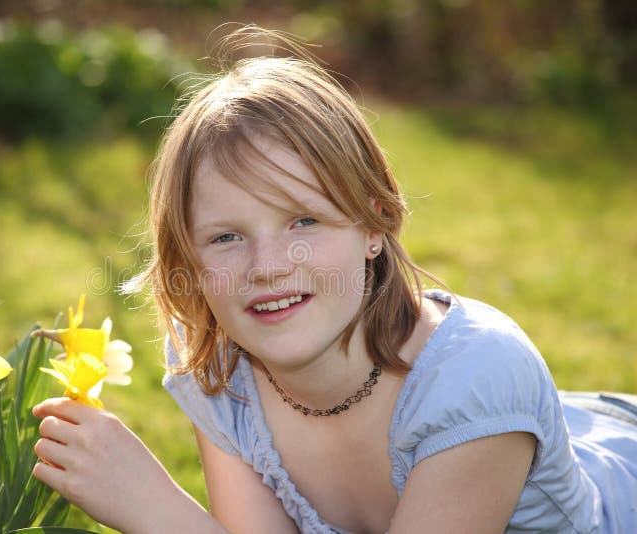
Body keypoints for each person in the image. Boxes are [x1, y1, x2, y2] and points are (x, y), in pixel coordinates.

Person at [31, 27, 637, 533]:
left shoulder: (474, 383)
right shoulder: (218, 366)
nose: (267, 266)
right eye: (225, 237)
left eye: (304, 220)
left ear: (375, 221)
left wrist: (156, 510)